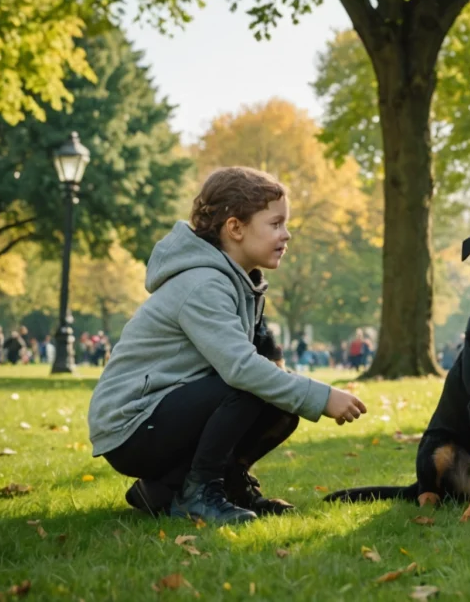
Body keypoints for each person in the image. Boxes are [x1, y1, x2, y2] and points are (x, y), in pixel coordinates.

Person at [87, 167, 367, 525]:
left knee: (277, 403)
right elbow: (241, 368)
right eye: (276, 224)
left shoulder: (239, 281)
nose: (287, 234)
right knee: (251, 384)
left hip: (162, 415)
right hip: (131, 425)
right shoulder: (203, 284)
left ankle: (180, 488)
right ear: (235, 228)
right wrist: (321, 396)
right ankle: (197, 493)